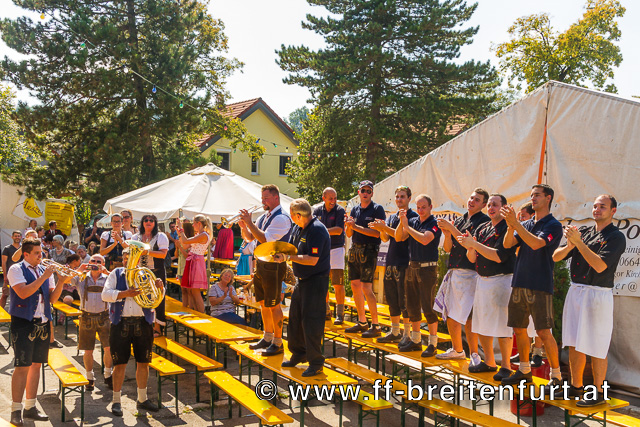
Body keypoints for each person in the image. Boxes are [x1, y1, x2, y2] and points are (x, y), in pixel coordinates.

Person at [552, 195, 625, 406]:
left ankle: (599, 392)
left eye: (602, 206)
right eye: (594, 206)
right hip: (576, 290)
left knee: (597, 345)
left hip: (598, 294)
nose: (597, 210)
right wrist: (570, 245)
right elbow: (556, 257)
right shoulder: (583, 232)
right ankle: (576, 386)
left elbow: (600, 266)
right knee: (574, 343)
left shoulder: (616, 237)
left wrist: (579, 243)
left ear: (613, 211)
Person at [500, 184, 563, 390]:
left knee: (543, 332)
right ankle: (524, 370)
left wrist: (516, 224)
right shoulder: (526, 224)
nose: (533, 198)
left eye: (537, 195)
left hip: (540, 285)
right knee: (518, 328)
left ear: (548, 198)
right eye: (531, 195)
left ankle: (556, 377)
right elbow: (508, 244)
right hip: (520, 282)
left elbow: (536, 244)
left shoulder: (553, 225)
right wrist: (511, 226)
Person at [7, 238, 70, 426]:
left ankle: (30, 407)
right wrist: (44, 277)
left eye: (41, 252)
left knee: (36, 366)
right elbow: (23, 293)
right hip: (23, 323)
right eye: (36, 253)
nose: (40, 256)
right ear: (25, 254)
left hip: (42, 322)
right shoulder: (16, 269)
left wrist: (60, 282)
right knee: (22, 366)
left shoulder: (44, 270)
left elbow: (52, 299)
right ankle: (15, 410)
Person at [456, 194, 516, 380]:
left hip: (502, 280)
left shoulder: (508, 227)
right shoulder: (483, 228)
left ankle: (505, 366)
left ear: (504, 207)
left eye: (495, 205)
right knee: (481, 324)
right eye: (489, 205)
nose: (491, 208)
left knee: (503, 326)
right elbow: (472, 258)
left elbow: (499, 256)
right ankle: (489, 362)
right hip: (482, 280)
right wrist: (470, 247)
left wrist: (474, 244)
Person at [102, 247, 163, 417]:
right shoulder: (116, 274)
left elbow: (156, 299)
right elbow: (105, 295)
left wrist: (160, 288)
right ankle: (116, 401)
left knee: (143, 362)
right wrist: (125, 293)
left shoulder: (146, 275)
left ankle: (142, 399)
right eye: (125, 259)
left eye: (131, 258)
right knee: (120, 364)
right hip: (120, 323)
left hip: (143, 323)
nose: (127, 262)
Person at [435, 188, 490, 362]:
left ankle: (474, 354)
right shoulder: (460, 219)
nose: (472, 201)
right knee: (451, 315)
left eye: (477, 200)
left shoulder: (484, 221)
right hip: (454, 270)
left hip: (472, 273)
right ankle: (458, 350)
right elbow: (447, 248)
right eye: (471, 197)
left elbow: (470, 244)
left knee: (470, 318)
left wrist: (451, 228)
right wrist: (447, 235)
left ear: (483, 205)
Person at [239, 184, 292, 355]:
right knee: (262, 303)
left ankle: (278, 341)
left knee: (274, 304)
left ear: (276, 198)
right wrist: (244, 227)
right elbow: (250, 238)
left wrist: (249, 223)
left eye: (266, 198)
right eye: (262, 198)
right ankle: (267, 337)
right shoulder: (263, 217)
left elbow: (265, 239)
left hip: (274, 266)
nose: (263, 201)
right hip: (262, 265)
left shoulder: (282, 218)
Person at [282, 199, 331, 377]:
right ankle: (299, 353)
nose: (291, 218)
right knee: (295, 320)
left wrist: (288, 258)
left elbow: (312, 259)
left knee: (312, 323)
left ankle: (316, 362)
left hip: (316, 281)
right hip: (301, 281)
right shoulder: (298, 227)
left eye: (292, 215)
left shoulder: (317, 229)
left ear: (298, 215)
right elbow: (292, 249)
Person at [369, 185, 417, 344]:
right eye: (397, 197)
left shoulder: (412, 216)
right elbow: (385, 238)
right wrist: (381, 229)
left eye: (402, 196)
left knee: (404, 301)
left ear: (409, 198)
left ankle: (407, 334)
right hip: (391, 261)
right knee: (391, 299)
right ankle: (395, 331)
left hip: (405, 263)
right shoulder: (392, 216)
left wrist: (384, 227)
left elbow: (400, 237)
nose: (399, 199)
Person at [395, 194, 441, 356]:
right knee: (412, 305)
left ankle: (433, 343)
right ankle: (416, 340)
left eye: (423, 207)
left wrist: (407, 227)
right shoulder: (413, 221)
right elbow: (398, 237)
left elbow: (425, 239)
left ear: (430, 207)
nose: (420, 210)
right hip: (412, 266)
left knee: (428, 306)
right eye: (418, 207)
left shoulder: (434, 223)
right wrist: (402, 222)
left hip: (428, 268)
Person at [344, 180, 386, 338]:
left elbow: (377, 234)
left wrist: (355, 227)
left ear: (372, 193)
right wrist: (349, 225)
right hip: (354, 249)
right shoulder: (355, 209)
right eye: (363, 190)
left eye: (368, 191)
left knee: (367, 288)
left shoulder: (377, 209)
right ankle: (362, 321)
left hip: (369, 250)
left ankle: (375, 325)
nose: (366, 193)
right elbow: (349, 234)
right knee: (355, 286)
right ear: (359, 192)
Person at [72, 254, 113, 391]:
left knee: (108, 348)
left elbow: (120, 285)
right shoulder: (82, 276)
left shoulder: (108, 278)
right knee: (88, 350)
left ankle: (108, 375)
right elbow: (66, 280)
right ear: (89, 262)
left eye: (98, 262)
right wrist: (80, 269)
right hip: (86, 317)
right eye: (93, 261)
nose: (95, 263)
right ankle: (89, 377)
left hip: (104, 316)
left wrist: (107, 272)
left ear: (103, 264)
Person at [313, 187, 346, 323]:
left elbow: (339, 230)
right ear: (323, 198)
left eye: (335, 198)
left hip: (336, 249)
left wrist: (321, 231)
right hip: (322, 250)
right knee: (322, 282)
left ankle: (340, 314)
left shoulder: (340, 210)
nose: (333, 201)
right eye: (330, 198)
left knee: (338, 283)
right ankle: (326, 311)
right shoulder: (316, 211)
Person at [132, 214, 169, 335]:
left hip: (156, 272)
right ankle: (144, 325)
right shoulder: (136, 237)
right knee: (141, 298)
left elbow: (163, 254)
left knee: (158, 299)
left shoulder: (161, 236)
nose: (148, 222)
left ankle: (158, 327)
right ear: (142, 223)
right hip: (139, 273)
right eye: (146, 220)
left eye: (151, 220)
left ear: (155, 223)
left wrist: (147, 252)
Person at [177, 215, 211, 313]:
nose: (192, 225)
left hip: (196, 262)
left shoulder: (203, 235)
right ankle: (197, 313)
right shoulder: (199, 235)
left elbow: (185, 241)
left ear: (198, 223)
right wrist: (179, 233)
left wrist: (181, 229)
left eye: (193, 223)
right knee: (192, 291)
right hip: (193, 261)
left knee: (195, 291)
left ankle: (201, 315)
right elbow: (185, 245)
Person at [2, 230, 22, 308]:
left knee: (19, 295)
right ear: (12, 237)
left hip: (21, 276)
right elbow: (4, 263)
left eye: (18, 236)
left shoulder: (24, 248)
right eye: (15, 236)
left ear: (21, 237)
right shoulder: (7, 249)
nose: (17, 237)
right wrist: (5, 276)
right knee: (5, 295)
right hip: (9, 276)